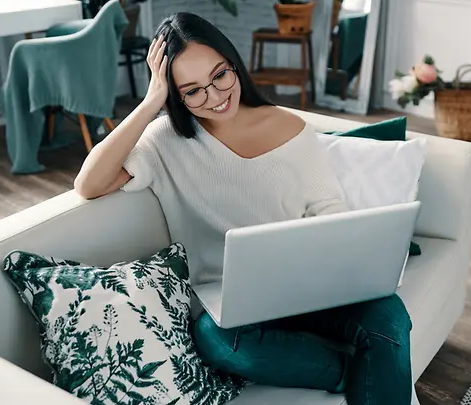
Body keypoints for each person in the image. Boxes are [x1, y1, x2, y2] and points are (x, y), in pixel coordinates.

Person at [73, 12, 415, 405]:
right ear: (175, 94)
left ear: (233, 62)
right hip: (232, 305)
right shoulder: (164, 141)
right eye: (193, 90)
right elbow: (89, 184)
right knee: (220, 344)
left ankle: (364, 370)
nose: (215, 97)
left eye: (220, 75)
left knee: (389, 317)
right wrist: (151, 102)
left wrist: (341, 261)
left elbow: (328, 207)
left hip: (311, 285)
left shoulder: (291, 128)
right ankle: (356, 373)